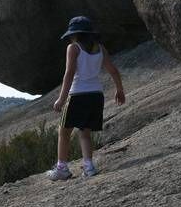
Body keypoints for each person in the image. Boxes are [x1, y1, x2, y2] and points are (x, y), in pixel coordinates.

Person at [48, 16, 126, 181]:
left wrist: (61, 99)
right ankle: (89, 167)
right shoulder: (100, 49)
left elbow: (69, 74)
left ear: (75, 34)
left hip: (78, 94)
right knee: (85, 133)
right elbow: (113, 70)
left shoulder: (73, 48)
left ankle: (62, 168)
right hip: (96, 95)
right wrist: (119, 89)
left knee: (64, 132)